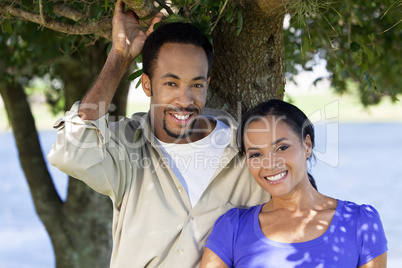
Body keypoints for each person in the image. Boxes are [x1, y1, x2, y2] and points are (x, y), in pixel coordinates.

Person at [47, 0, 269, 267]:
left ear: (207, 84)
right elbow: (70, 152)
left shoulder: (249, 149)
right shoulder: (126, 147)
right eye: (171, 83)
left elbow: (295, 215)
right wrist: (121, 54)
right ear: (147, 84)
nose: (185, 99)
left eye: (196, 84)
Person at [200, 99, 388, 268]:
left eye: (282, 148)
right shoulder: (233, 227)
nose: (270, 164)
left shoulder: (360, 222)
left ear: (307, 145)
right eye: (256, 154)